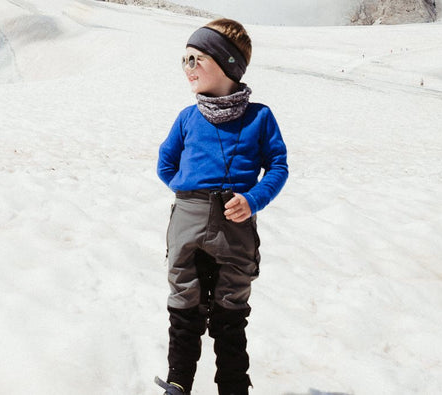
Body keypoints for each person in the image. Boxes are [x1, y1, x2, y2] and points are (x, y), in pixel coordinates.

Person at [154, 18, 288, 395]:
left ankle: (233, 387)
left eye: (196, 59)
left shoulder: (260, 117)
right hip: (187, 228)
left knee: (231, 315)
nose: (188, 67)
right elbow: (165, 163)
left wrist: (253, 199)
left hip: (235, 233)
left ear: (228, 64)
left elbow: (278, 166)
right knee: (184, 308)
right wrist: (188, 194)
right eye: (184, 59)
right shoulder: (187, 118)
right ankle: (177, 384)